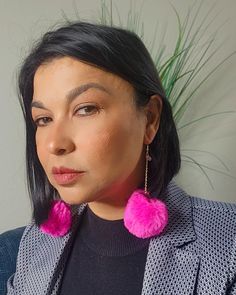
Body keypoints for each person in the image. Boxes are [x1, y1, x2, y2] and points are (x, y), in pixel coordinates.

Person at [0, 21, 235, 295]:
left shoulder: (227, 243)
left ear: (150, 119)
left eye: (85, 109)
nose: (55, 143)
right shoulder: (35, 242)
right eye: (43, 119)